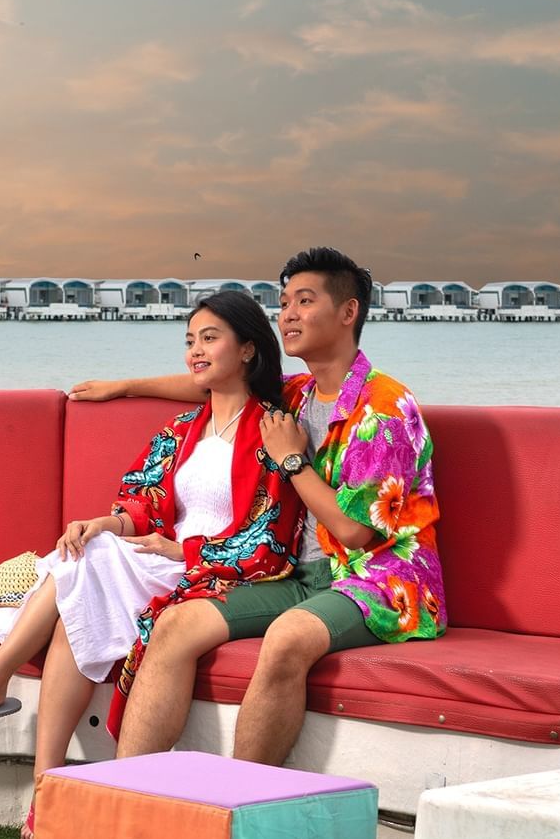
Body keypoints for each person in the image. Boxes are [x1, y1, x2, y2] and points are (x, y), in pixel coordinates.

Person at [0, 291, 303, 839]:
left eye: (209, 338)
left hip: (209, 571)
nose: (195, 350)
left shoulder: (272, 429)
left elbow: (269, 536)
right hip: (152, 558)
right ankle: (46, 790)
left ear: (247, 349)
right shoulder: (184, 427)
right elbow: (142, 504)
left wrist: (182, 549)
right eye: (189, 340)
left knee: (82, 578)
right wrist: (105, 522)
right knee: (83, 565)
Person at [69, 246, 444, 766]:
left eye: (304, 301)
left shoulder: (385, 408)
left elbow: (355, 533)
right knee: (175, 624)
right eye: (284, 302)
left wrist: (293, 462)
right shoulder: (297, 394)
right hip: (295, 573)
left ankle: (244, 800)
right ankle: (127, 791)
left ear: (348, 311)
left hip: (378, 579)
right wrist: (125, 386)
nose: (287, 314)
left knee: (288, 636)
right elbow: (212, 380)